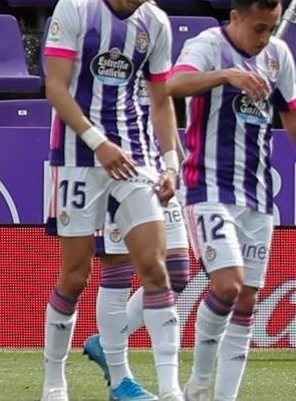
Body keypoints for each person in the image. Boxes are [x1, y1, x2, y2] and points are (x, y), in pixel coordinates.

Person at [170, 0, 296, 401]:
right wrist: (228, 76)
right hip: (207, 187)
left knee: (246, 304)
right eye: (258, 28)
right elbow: (174, 84)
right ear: (236, 18)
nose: (265, 37)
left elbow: (293, 116)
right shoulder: (208, 45)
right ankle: (200, 383)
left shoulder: (278, 55)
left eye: (272, 27)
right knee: (227, 286)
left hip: (257, 195)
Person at [41, 0, 183, 401]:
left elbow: (161, 100)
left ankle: (169, 389)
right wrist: (99, 144)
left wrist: (170, 161)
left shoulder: (156, 23)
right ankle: (54, 381)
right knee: (76, 275)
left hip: (135, 160)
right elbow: (56, 89)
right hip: (80, 158)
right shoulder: (75, 7)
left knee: (156, 270)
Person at [82, 74, 194, 391]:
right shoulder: (110, 55)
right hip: (119, 169)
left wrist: (176, 154)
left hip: (161, 168)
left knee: (177, 273)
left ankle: (107, 341)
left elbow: (162, 105)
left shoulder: (154, 46)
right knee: (118, 269)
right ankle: (120, 371)